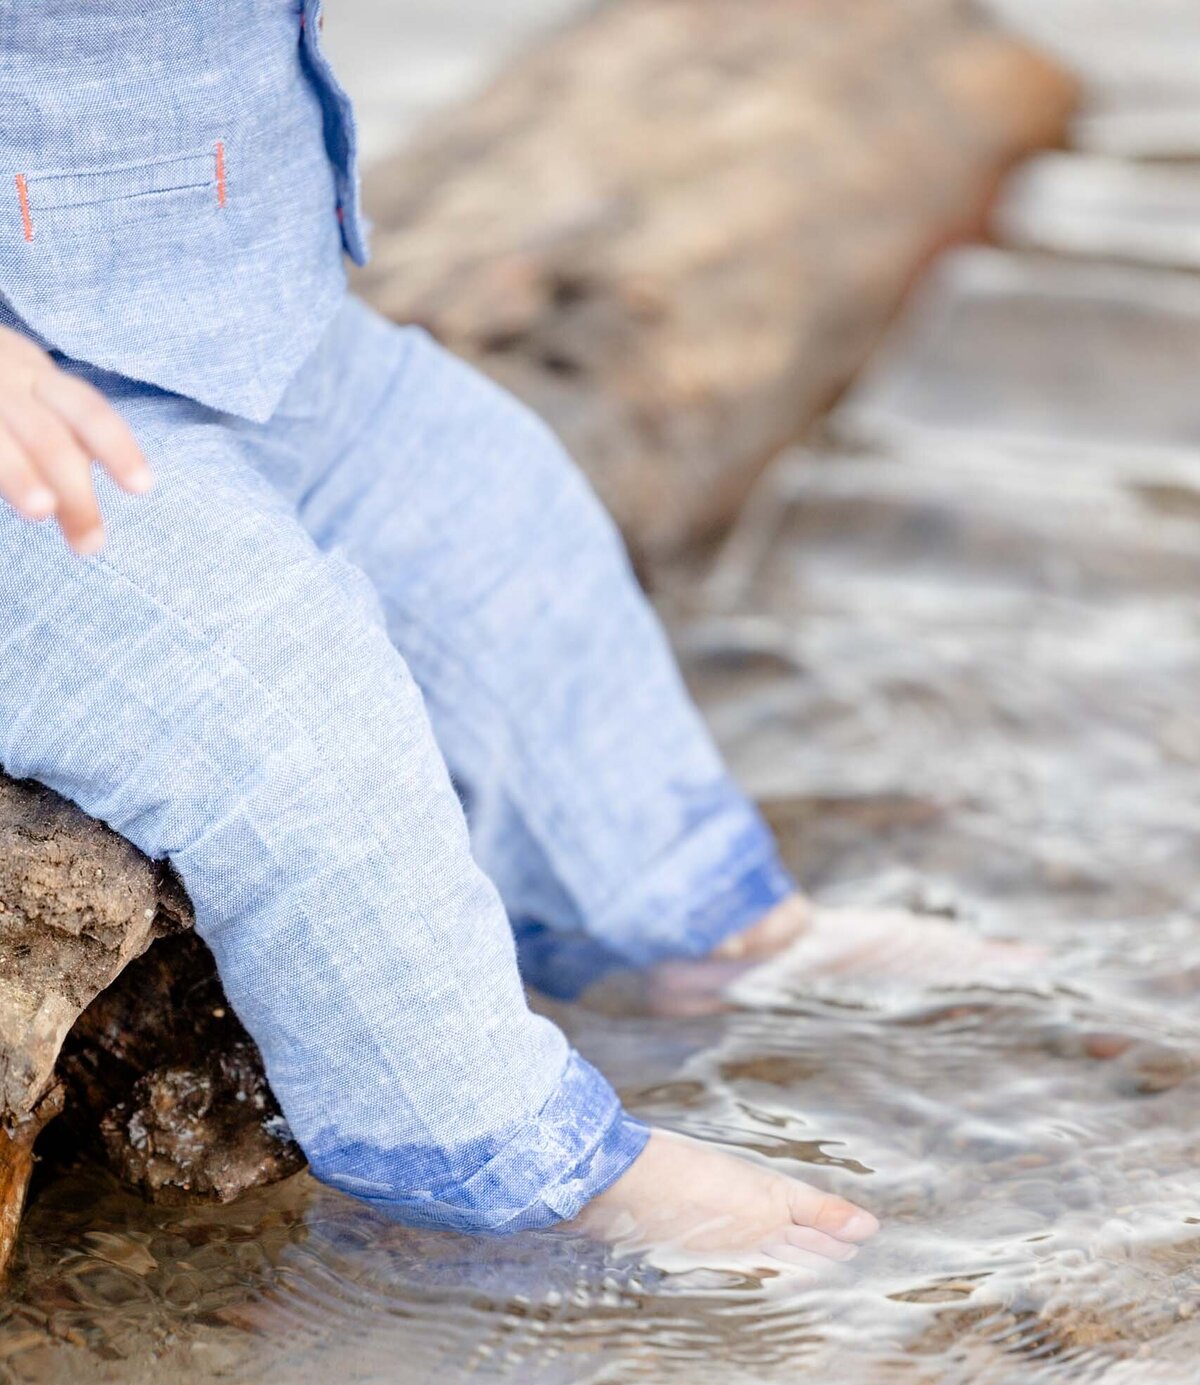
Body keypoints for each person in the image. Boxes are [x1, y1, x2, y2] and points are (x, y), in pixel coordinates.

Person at [0, 1, 1014, 1267]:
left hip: (225, 316)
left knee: (498, 521)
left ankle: (688, 923)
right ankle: (511, 1161)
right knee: (276, 698)